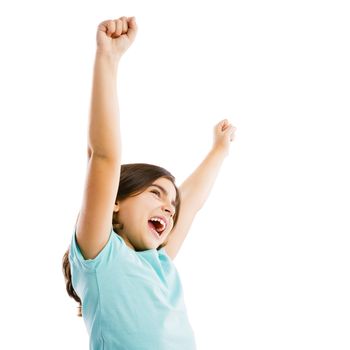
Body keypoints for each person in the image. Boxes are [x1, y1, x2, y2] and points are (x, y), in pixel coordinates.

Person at [62, 16, 237, 350]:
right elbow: (104, 156)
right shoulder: (101, 255)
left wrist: (218, 151)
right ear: (115, 199)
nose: (169, 208)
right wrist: (108, 60)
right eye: (155, 193)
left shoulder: (158, 263)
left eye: (170, 204)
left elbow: (191, 202)